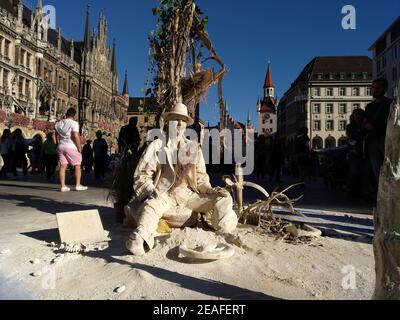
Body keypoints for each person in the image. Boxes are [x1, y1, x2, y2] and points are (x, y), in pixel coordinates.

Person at [125, 103, 238, 256]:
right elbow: (142, 175)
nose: (179, 124)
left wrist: (210, 189)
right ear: (168, 121)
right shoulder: (158, 145)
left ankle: (224, 233)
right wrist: (152, 191)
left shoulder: (193, 147)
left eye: (183, 120)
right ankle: (140, 237)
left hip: (188, 195)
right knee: (151, 206)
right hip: (165, 194)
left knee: (224, 198)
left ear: (186, 124)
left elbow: (200, 178)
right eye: (176, 119)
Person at [364, 78, 393, 189]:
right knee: (377, 170)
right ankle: (381, 193)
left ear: (384, 89)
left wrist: (371, 125)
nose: (374, 90)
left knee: (389, 168)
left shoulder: (390, 104)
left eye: (377, 88)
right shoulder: (369, 106)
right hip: (372, 141)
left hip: (386, 139)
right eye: (373, 88)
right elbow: (365, 122)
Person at [55, 107, 88, 192]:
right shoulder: (74, 123)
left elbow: (53, 135)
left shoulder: (58, 123)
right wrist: (79, 147)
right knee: (77, 165)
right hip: (71, 146)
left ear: (66, 114)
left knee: (62, 166)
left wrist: (57, 144)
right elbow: (76, 136)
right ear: (74, 115)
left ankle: (63, 186)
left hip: (61, 146)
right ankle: (77, 185)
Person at [346, 109, 366, 198]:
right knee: (353, 172)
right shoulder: (350, 126)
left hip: (364, 150)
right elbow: (350, 139)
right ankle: (352, 191)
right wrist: (353, 149)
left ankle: (361, 191)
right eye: (356, 115)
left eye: (360, 114)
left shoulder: (365, 125)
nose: (358, 116)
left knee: (363, 172)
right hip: (354, 151)